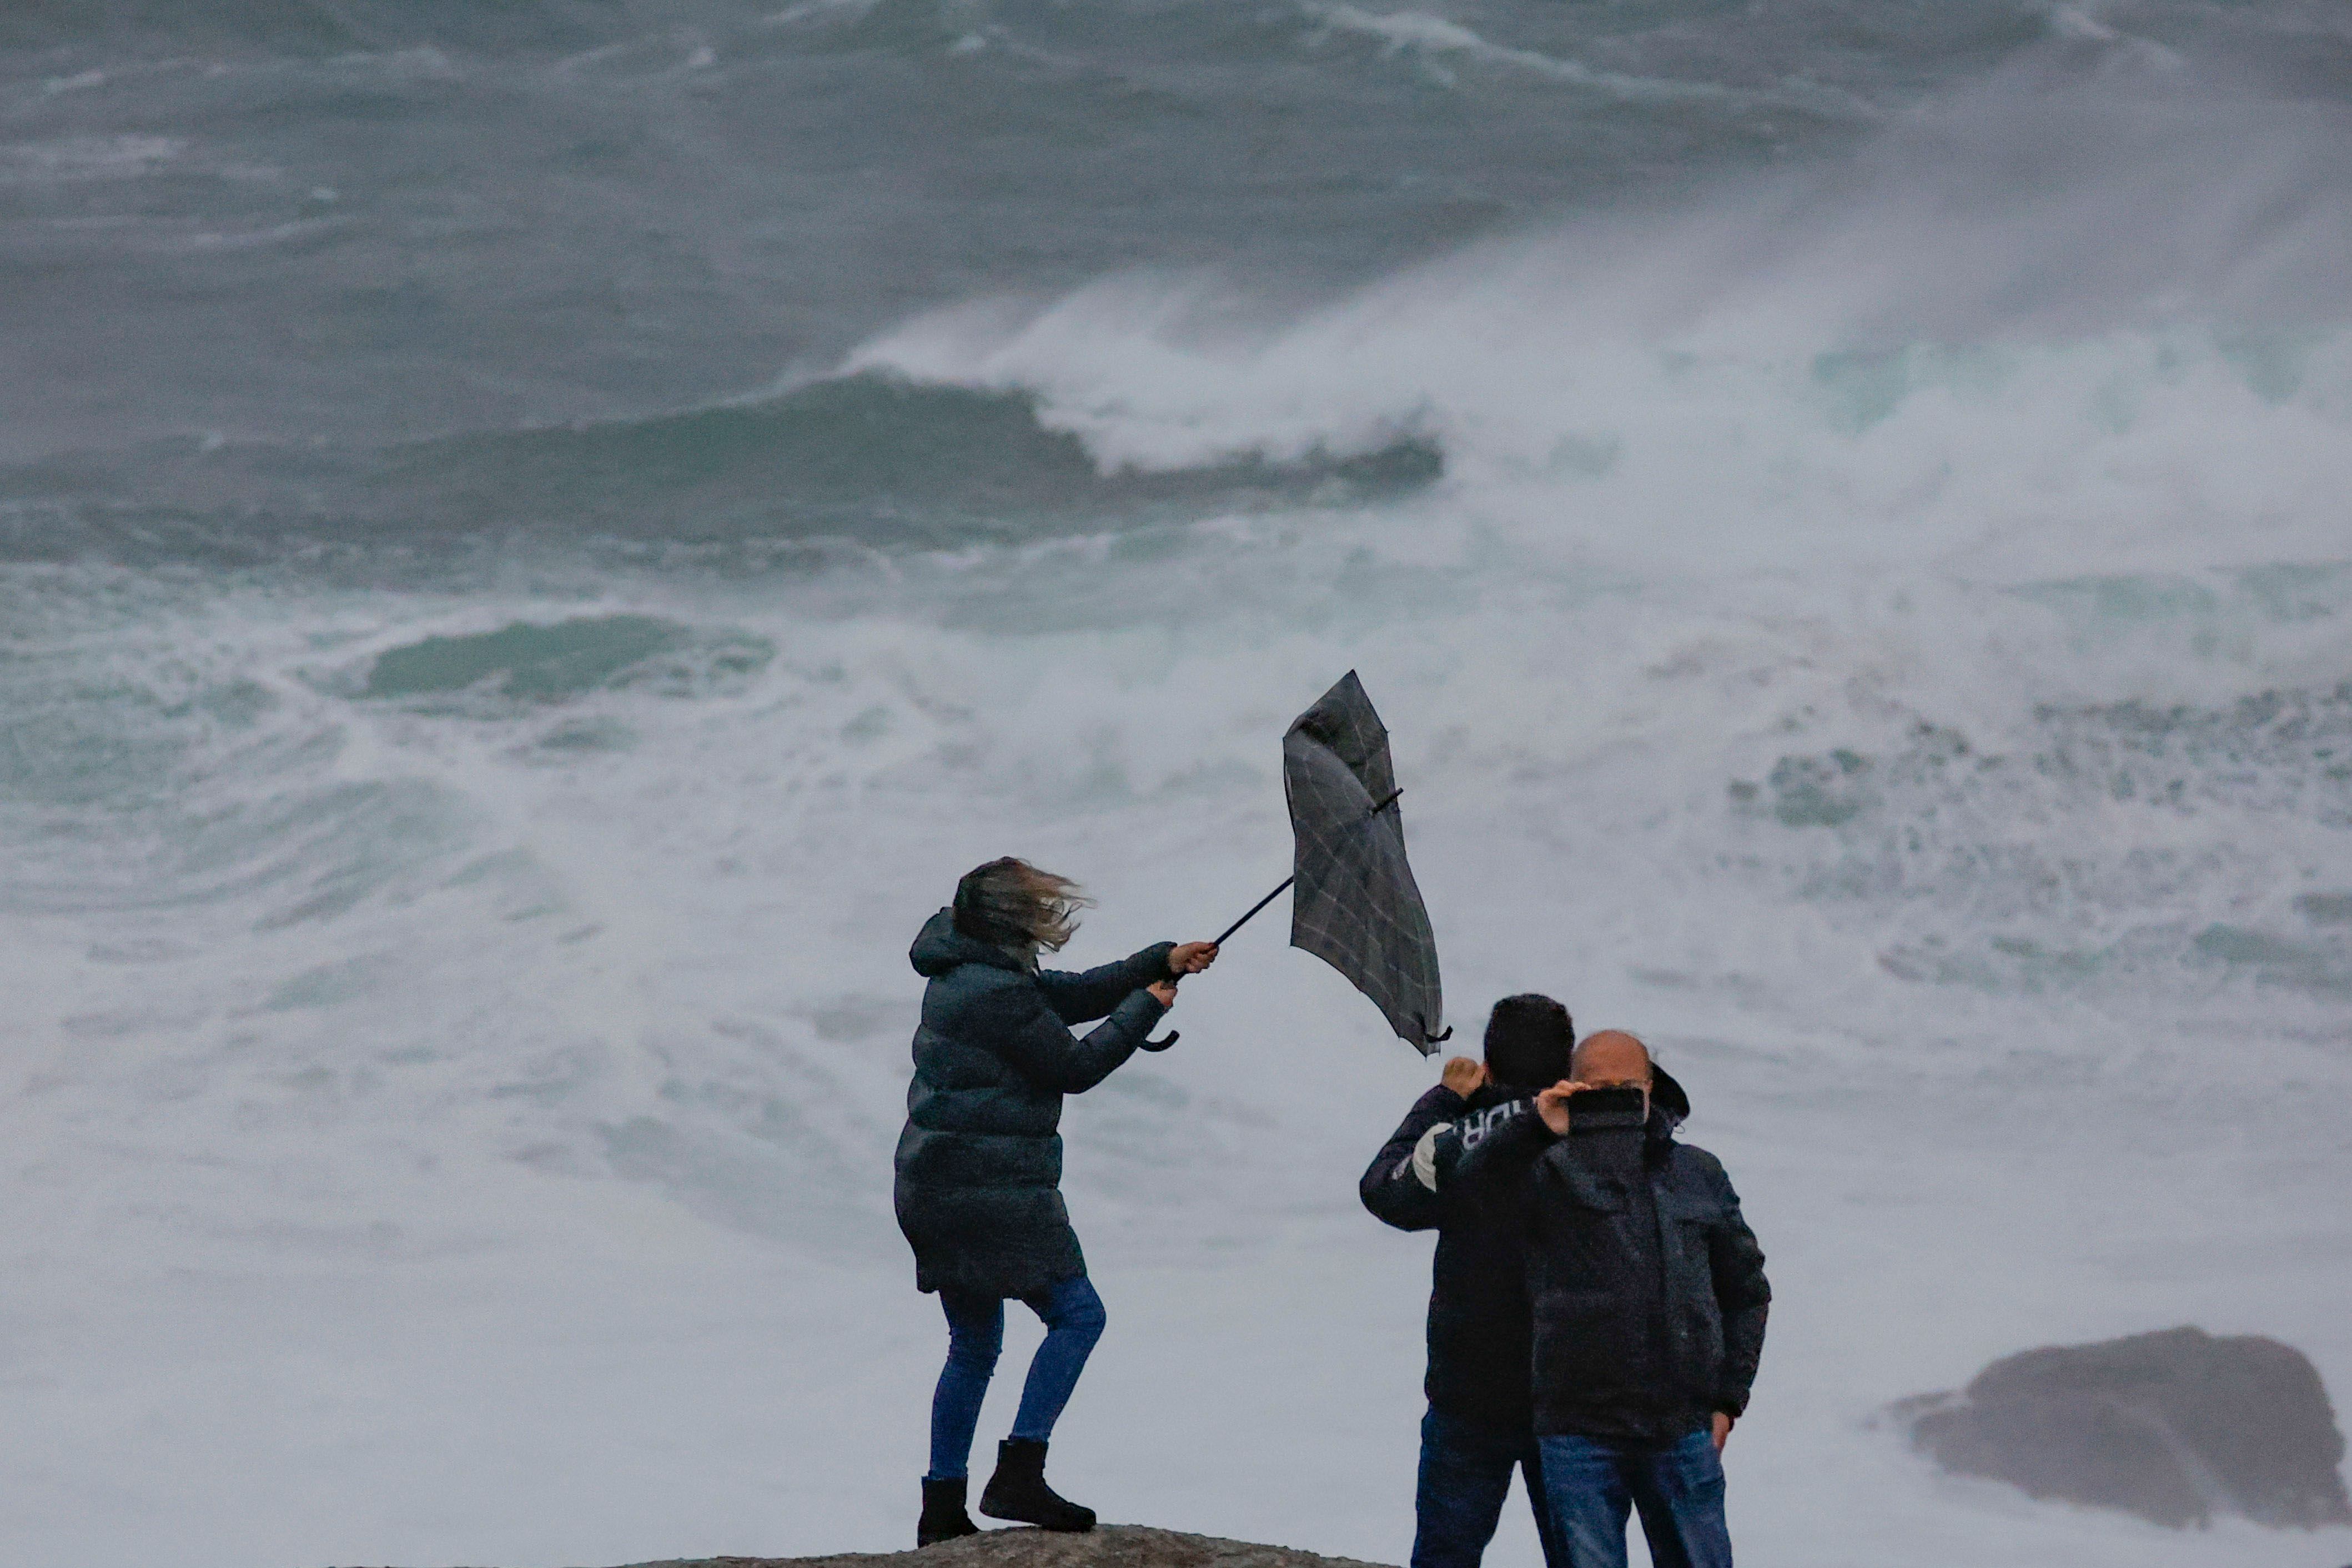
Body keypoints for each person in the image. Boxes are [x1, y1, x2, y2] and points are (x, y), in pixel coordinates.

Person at [893, 857, 1218, 1547]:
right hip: (989, 1187)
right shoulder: (995, 990)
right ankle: (1019, 1472)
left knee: (974, 1343)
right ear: (1013, 921)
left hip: (937, 1183)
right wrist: (1144, 1007)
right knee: (1079, 1314)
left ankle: (942, 1504)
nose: (1048, 922)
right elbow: (1072, 1066)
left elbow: (1064, 996)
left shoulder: (968, 966)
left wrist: (1161, 960)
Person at [1453, 1031, 1768, 1568]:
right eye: (1599, 1088)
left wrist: (1727, 1401)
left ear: (1652, 1088)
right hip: (1578, 1430)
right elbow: (1469, 1195)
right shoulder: (1544, 1170)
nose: (1616, 1099)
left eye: (1628, 1087)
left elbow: (1746, 1291)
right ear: (1573, 1089)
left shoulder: (1698, 1172)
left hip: (1681, 1425)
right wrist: (1535, 1126)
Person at [1360, 994, 1576, 1568]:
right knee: (1582, 1555)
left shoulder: (1461, 1141)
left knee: (1447, 1555)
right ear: (1567, 1065)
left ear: (1489, 1061)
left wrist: (1446, 1098)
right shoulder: (1592, 1140)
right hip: (1571, 1392)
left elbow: (1385, 1188)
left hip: (1470, 1390)